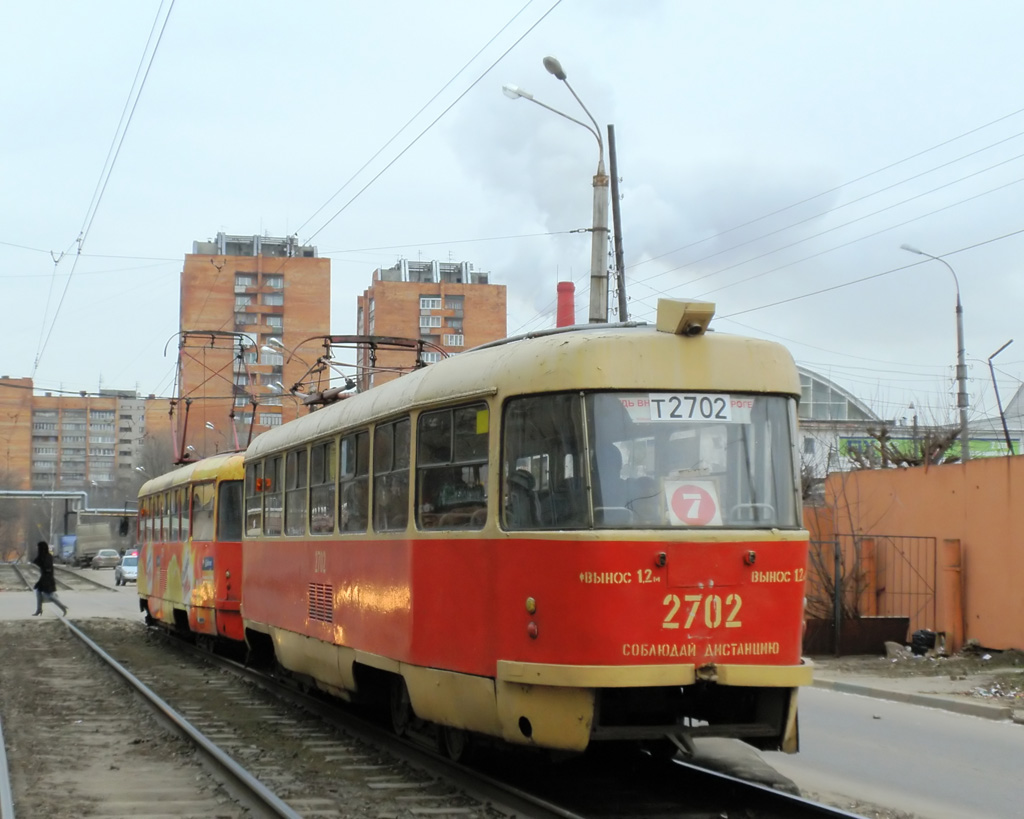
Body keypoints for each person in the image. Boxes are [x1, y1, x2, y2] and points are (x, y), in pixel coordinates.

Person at [31, 540, 68, 617]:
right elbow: (35, 562)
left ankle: (63, 607)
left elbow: (47, 569)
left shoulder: (47, 557)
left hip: (48, 579)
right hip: (44, 578)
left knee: (50, 596)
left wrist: (42, 580)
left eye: (38, 547)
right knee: (38, 593)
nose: (38, 549)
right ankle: (39, 610)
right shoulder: (42, 556)